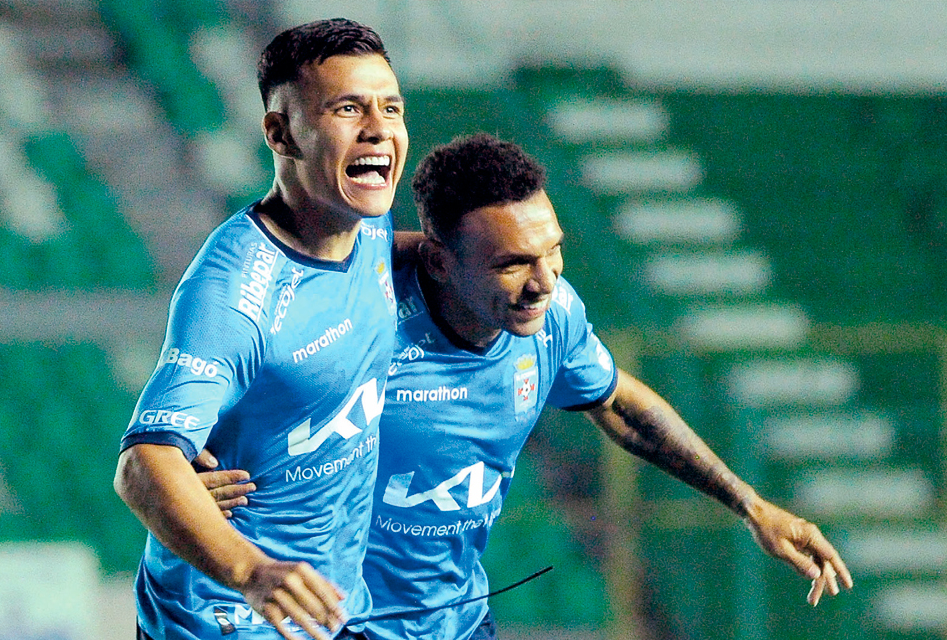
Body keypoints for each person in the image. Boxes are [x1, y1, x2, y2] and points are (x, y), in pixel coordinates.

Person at [207, 133, 853, 640]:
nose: (544, 281)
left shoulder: (554, 317)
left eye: (553, 251)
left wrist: (750, 505)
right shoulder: (354, 327)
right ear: (438, 260)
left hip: (453, 622)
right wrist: (189, 471)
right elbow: (215, 401)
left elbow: (619, 404)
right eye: (514, 263)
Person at [114, 18, 409, 640]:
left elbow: (405, 264)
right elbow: (142, 464)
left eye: (390, 107)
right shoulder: (236, 293)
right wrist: (253, 571)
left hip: (330, 611)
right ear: (280, 132)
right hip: (226, 619)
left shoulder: (367, 224)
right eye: (349, 109)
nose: (379, 129)